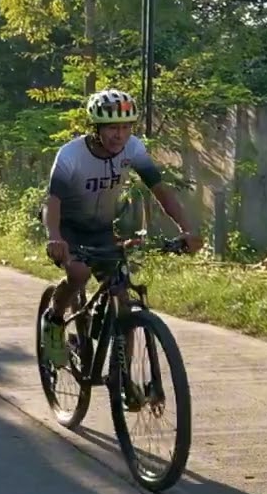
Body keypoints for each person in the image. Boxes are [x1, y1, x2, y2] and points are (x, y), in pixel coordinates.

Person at [40, 89, 204, 367]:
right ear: (96, 128)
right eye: (112, 128)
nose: (120, 135)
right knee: (79, 273)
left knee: (122, 297)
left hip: (102, 228)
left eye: (126, 127)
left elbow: (160, 189)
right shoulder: (70, 154)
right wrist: (55, 237)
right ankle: (54, 320)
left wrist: (187, 229)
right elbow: (52, 201)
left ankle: (122, 375)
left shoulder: (133, 149)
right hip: (68, 228)